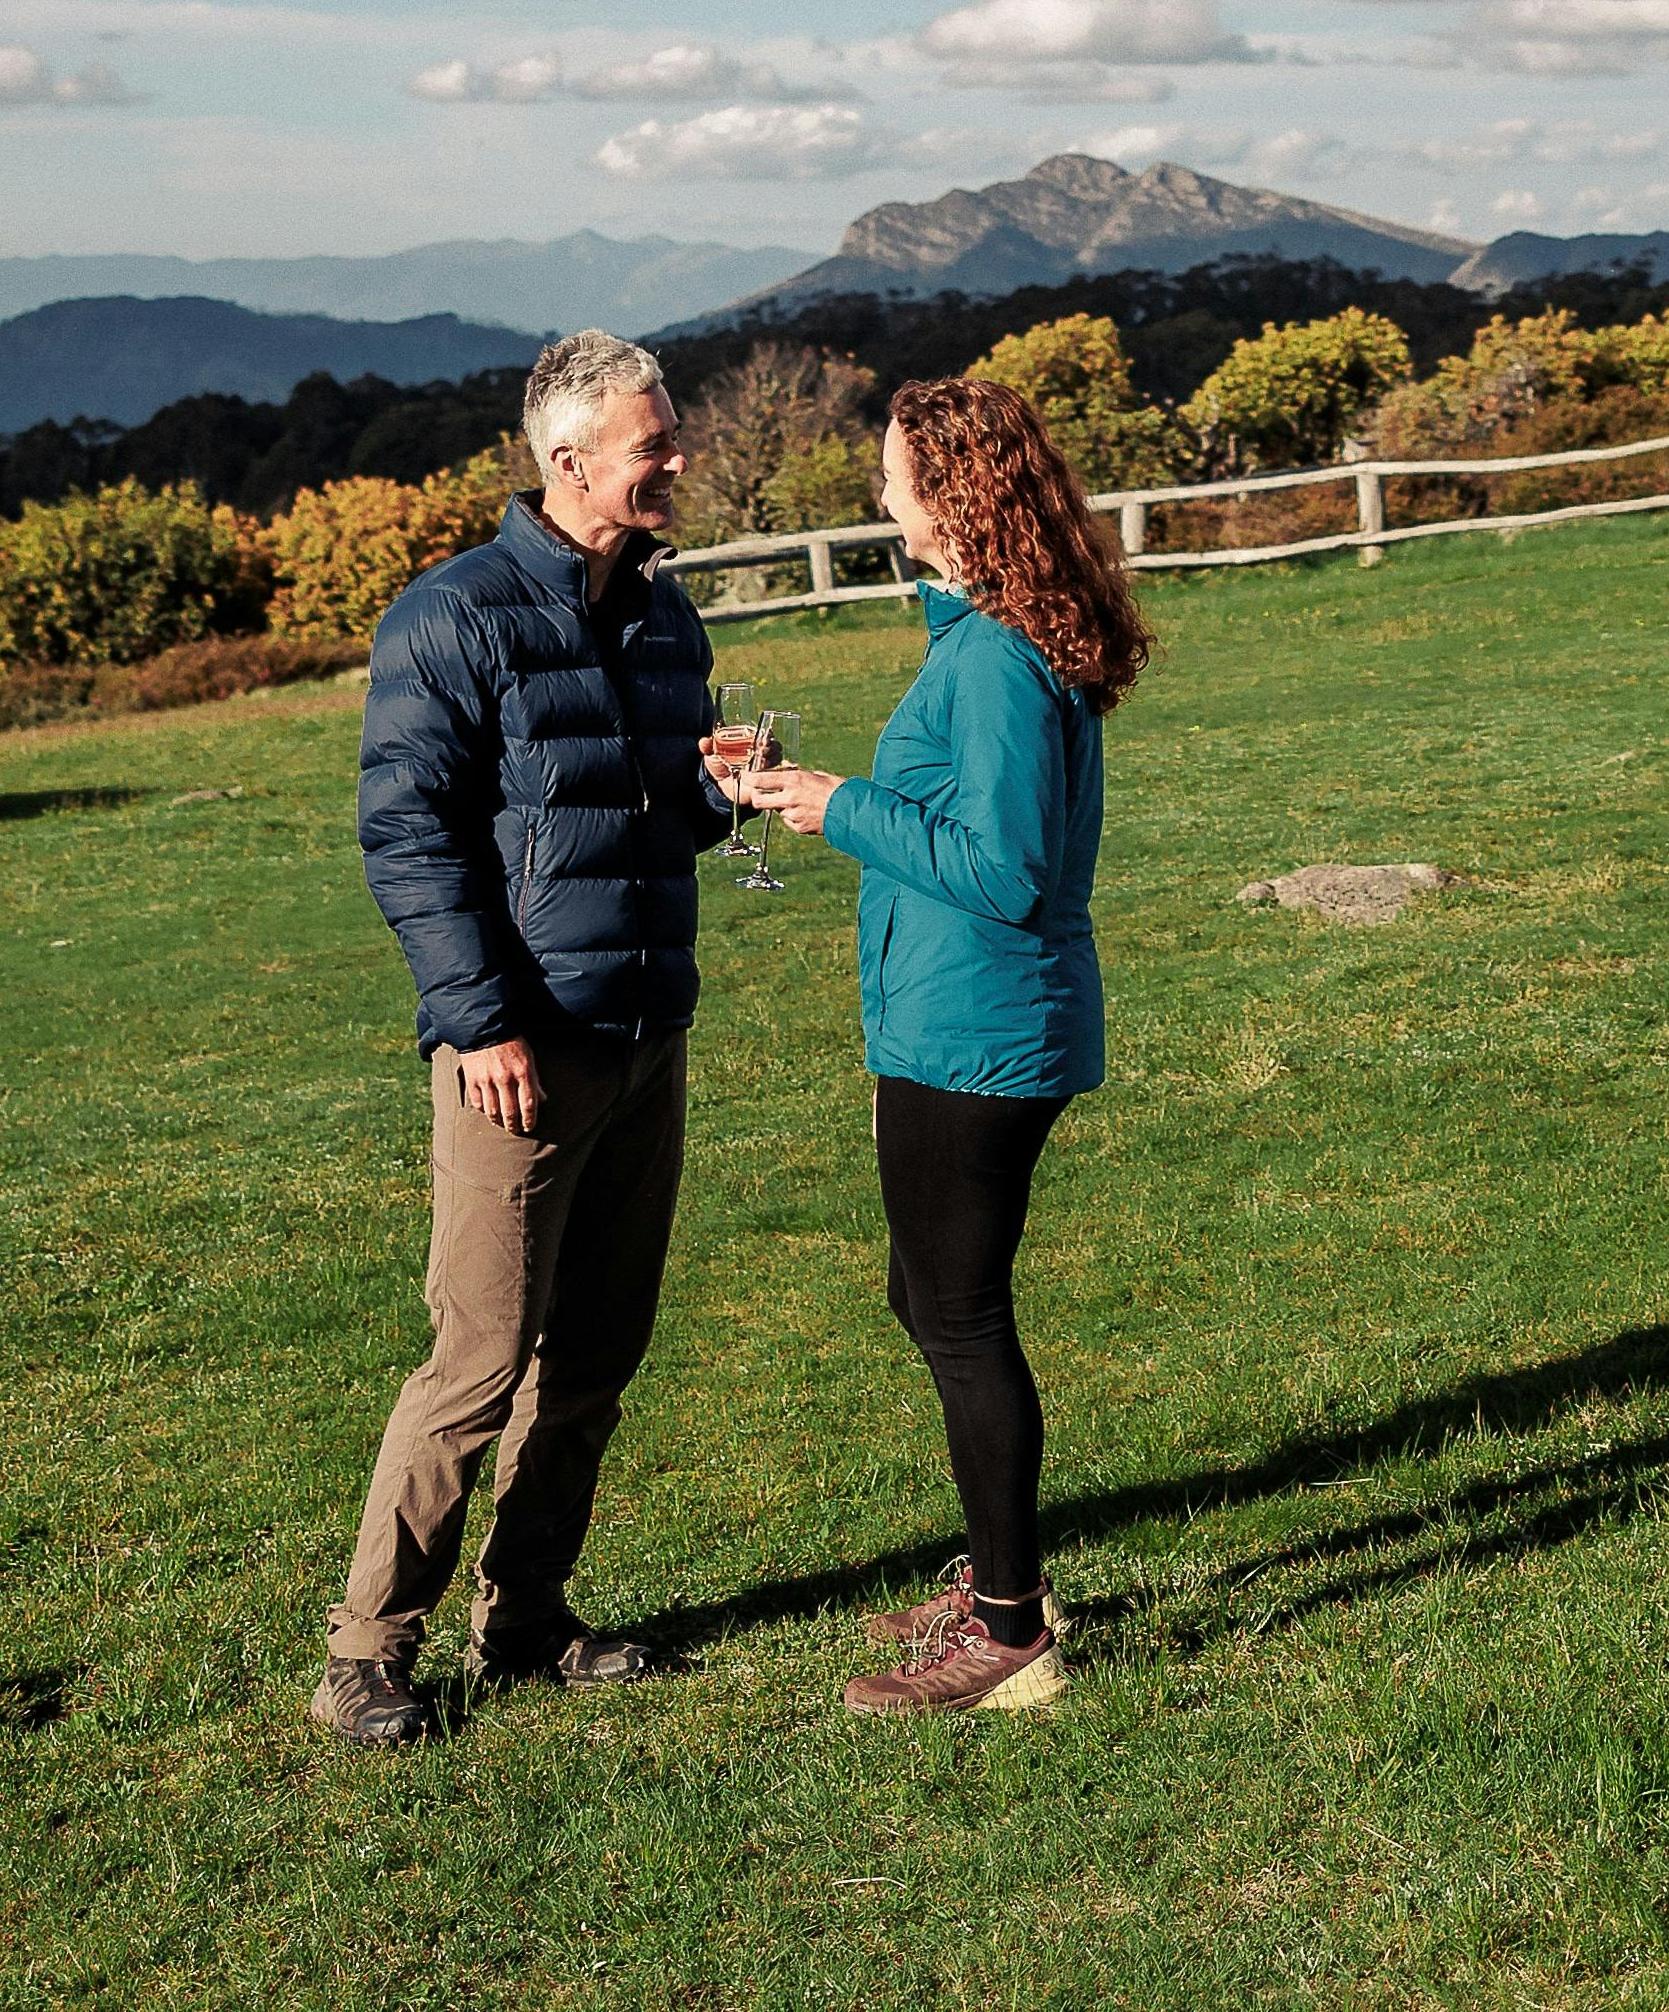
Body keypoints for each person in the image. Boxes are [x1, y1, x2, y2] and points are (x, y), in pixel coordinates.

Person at [311, 329, 727, 1748]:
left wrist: (717, 795)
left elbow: (643, 813)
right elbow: (407, 835)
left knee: (598, 1354)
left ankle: (529, 1620)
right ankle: (366, 1655)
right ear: (568, 461)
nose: (677, 462)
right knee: (480, 1362)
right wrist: (478, 1019)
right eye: (653, 445)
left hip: (644, 1036)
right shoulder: (454, 615)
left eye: (670, 437)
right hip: (518, 1053)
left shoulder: (670, 621)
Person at [739, 372, 1146, 1719]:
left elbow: (1010, 868)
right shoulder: (984, 633)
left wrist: (833, 803)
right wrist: (940, 589)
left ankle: (1013, 1636)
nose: (879, 490)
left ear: (954, 493)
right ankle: (997, 1578)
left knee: (961, 1320)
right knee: (927, 1299)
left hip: (974, 1036)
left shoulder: (995, 662)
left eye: (895, 473)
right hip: (950, 1022)